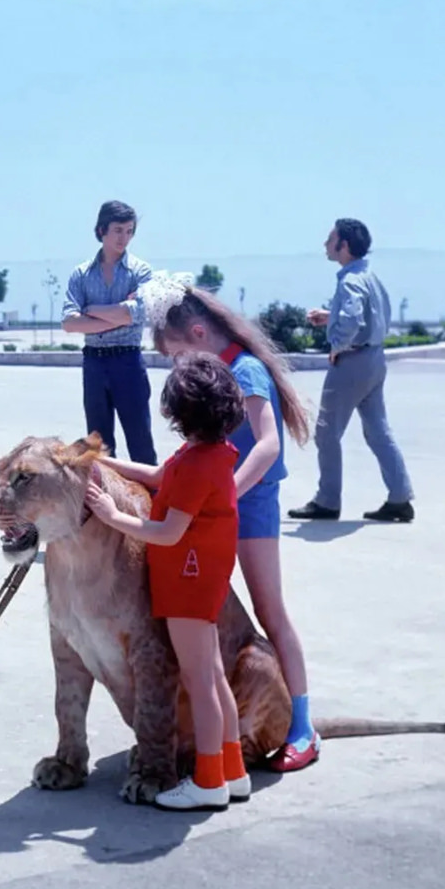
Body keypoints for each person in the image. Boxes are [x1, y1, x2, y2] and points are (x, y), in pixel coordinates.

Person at [102, 274, 319, 771]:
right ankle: (222, 741)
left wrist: (223, 496)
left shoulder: (243, 372)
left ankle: (302, 725)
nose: (177, 366)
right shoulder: (217, 375)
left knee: (270, 612)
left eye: (176, 355)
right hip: (221, 509)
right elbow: (169, 474)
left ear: (198, 335)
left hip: (252, 506)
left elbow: (267, 444)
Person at [84, 353, 250, 812]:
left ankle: (209, 780)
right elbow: (158, 477)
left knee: (199, 681)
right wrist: (103, 462)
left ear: (180, 413)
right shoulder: (207, 453)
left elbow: (168, 532)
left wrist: (114, 517)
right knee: (213, 675)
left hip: (189, 579)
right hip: (202, 575)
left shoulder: (199, 464)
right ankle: (233, 772)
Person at [289, 218, 415, 523]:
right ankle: (400, 497)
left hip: (352, 362)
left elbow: (353, 318)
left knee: (326, 433)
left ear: (343, 245)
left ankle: (328, 501)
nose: (325, 244)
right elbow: (370, 314)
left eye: (330, 238)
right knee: (377, 430)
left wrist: (337, 345)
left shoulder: (349, 281)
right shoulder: (368, 276)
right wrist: (330, 316)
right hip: (374, 360)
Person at [61, 199, 156, 465]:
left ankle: (151, 502)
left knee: (140, 441)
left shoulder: (141, 271)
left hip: (128, 361)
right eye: (117, 230)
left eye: (129, 231)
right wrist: (119, 316)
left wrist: (91, 310)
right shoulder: (81, 274)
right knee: (98, 444)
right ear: (102, 229)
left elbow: (136, 313)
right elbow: (69, 322)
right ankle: (103, 502)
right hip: (94, 362)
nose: (123, 238)